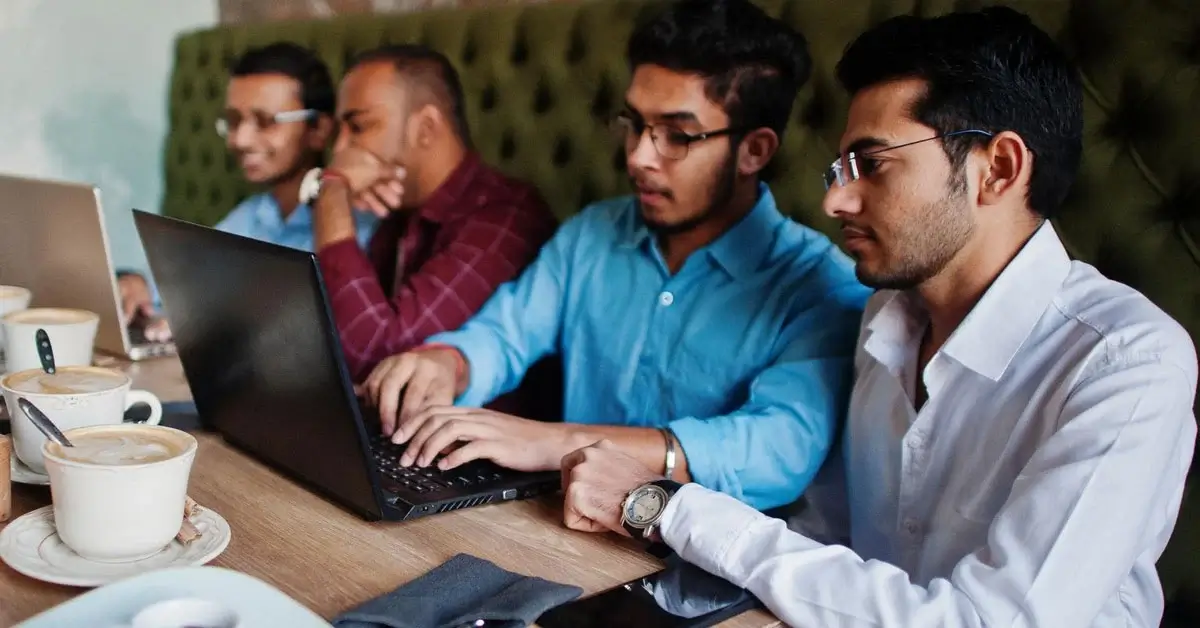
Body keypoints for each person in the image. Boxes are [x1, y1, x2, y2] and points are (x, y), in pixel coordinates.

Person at [559, 7, 1198, 627]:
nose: (836, 198)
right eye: (841, 168)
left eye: (873, 164)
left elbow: (987, 621)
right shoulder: (885, 318)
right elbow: (826, 536)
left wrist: (668, 507)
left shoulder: (1127, 364)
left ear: (997, 169)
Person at [359, 0, 871, 511]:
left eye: (677, 135)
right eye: (635, 123)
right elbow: (504, 333)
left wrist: (555, 441)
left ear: (754, 150)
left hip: (706, 567)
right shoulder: (593, 234)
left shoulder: (821, 288)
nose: (638, 157)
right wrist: (449, 362)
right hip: (558, 528)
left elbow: (774, 452)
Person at [307, 45, 558, 381]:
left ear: (425, 127)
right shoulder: (398, 212)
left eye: (359, 127)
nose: (339, 150)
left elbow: (374, 354)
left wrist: (331, 194)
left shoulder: (506, 216)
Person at [118, 42, 378, 336]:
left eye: (265, 121)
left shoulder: (360, 225)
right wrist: (136, 282)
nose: (240, 139)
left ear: (318, 129)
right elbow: (184, 275)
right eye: (233, 120)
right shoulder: (254, 214)